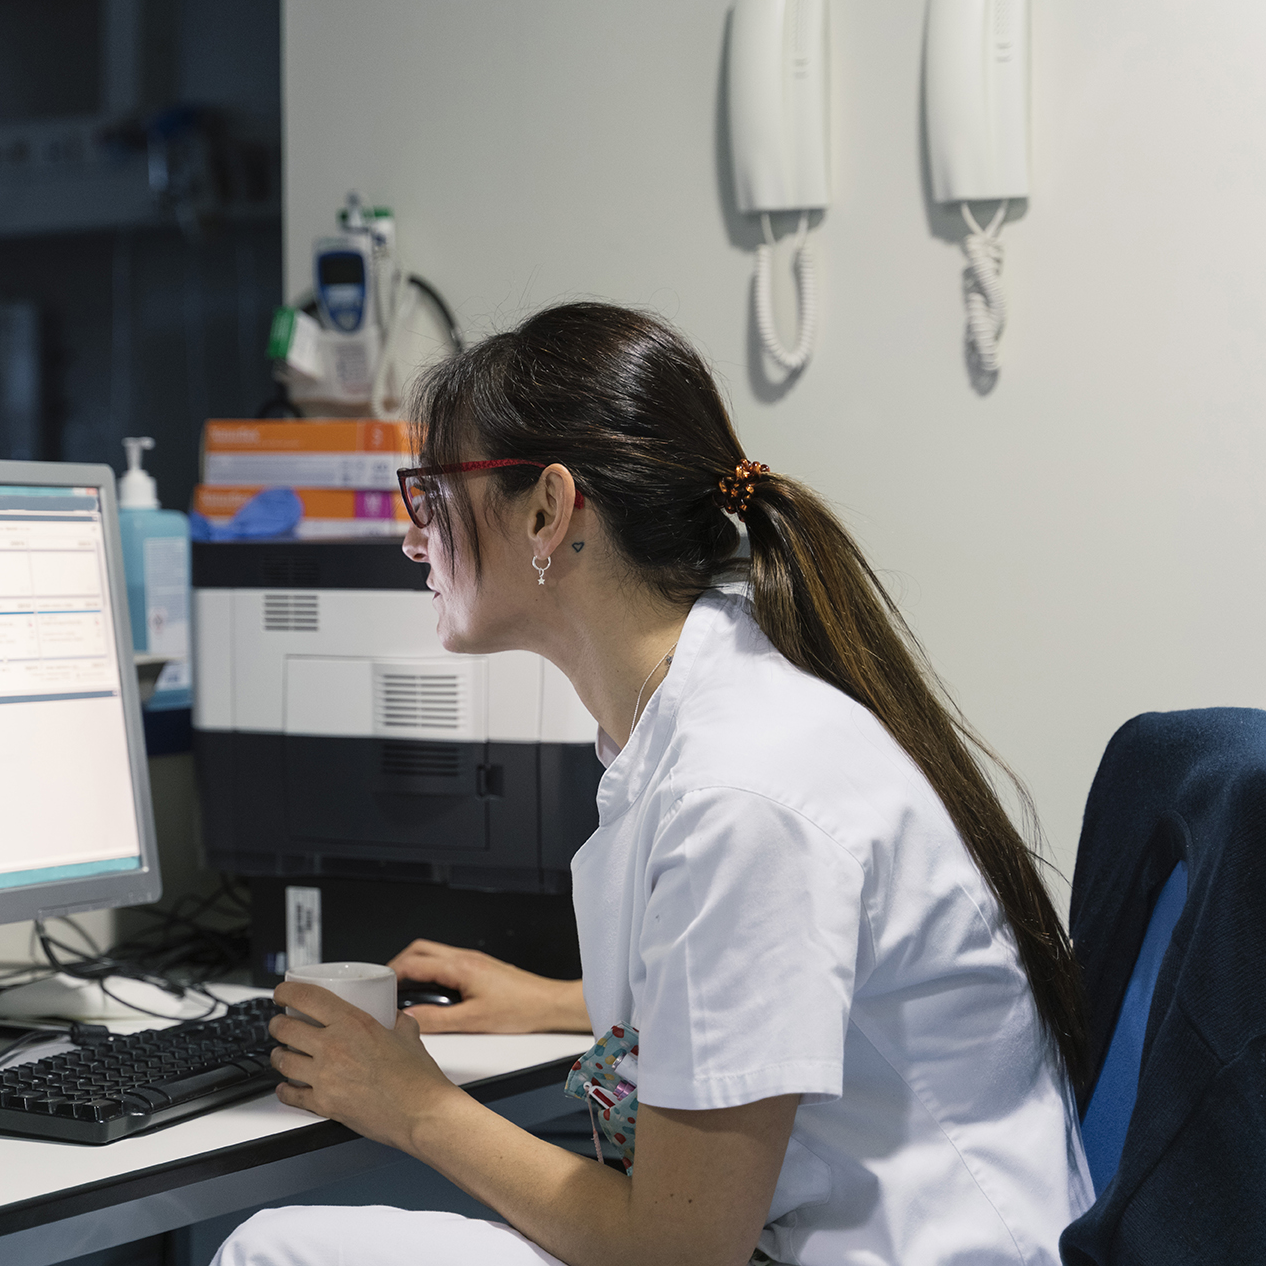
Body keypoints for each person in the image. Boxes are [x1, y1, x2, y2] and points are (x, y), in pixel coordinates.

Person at [212, 303, 1094, 1266]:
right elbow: (775, 992)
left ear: (548, 510)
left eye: (431, 496)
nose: (414, 540)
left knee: (275, 1252)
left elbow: (676, 1252)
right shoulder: (702, 717)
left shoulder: (740, 791)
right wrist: (562, 1001)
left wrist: (416, 1107)